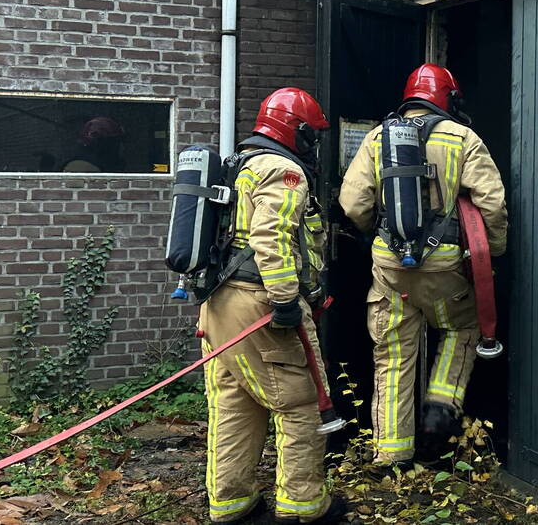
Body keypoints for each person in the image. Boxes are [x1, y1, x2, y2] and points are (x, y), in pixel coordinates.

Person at [339, 63, 507, 471]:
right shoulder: (464, 138)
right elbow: (492, 203)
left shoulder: (379, 137)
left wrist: (376, 235)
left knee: (393, 355)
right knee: (461, 330)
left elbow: (353, 203)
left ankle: (392, 454)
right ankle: (439, 409)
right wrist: (493, 253)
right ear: (449, 99)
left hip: (390, 267)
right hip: (445, 266)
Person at [198, 88, 347, 525]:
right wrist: (284, 300)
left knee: (233, 405)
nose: (313, 144)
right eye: (311, 134)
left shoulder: (238, 167)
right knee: (300, 404)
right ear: (297, 131)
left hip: (218, 306)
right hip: (259, 304)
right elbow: (271, 237)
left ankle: (232, 507)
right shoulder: (284, 171)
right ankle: (304, 510)